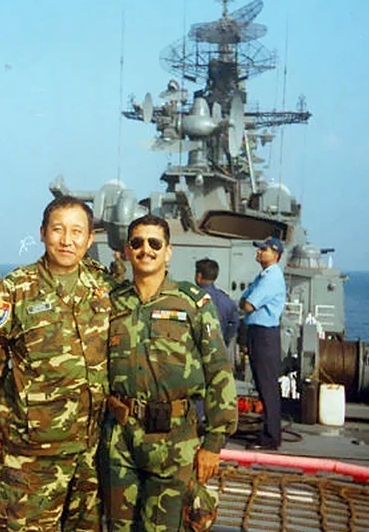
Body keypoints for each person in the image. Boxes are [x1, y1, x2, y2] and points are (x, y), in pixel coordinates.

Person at [0, 196, 113, 532]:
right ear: (43, 233)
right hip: (33, 451)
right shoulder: (16, 289)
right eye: (58, 229)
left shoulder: (105, 287)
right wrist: (7, 408)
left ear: (90, 238)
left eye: (77, 231)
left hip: (91, 451)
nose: (67, 240)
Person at [104, 214, 237, 531]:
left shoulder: (192, 303)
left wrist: (213, 442)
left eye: (154, 243)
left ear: (168, 251)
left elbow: (218, 370)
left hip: (174, 440)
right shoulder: (112, 302)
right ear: (127, 251)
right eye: (137, 243)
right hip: (120, 439)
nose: (145, 249)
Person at [240, 237, 287, 450]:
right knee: (263, 385)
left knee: (267, 386)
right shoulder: (264, 276)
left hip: (264, 335)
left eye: (263, 249)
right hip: (258, 333)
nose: (259, 252)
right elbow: (244, 300)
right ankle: (268, 431)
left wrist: (246, 302)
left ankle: (271, 437)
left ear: (275, 255)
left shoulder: (271, 278)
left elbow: (248, 304)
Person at [195, 258, 240, 371]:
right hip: (218, 351)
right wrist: (224, 341)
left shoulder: (191, 298)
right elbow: (234, 324)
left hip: (195, 354)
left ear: (199, 276)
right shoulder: (227, 300)